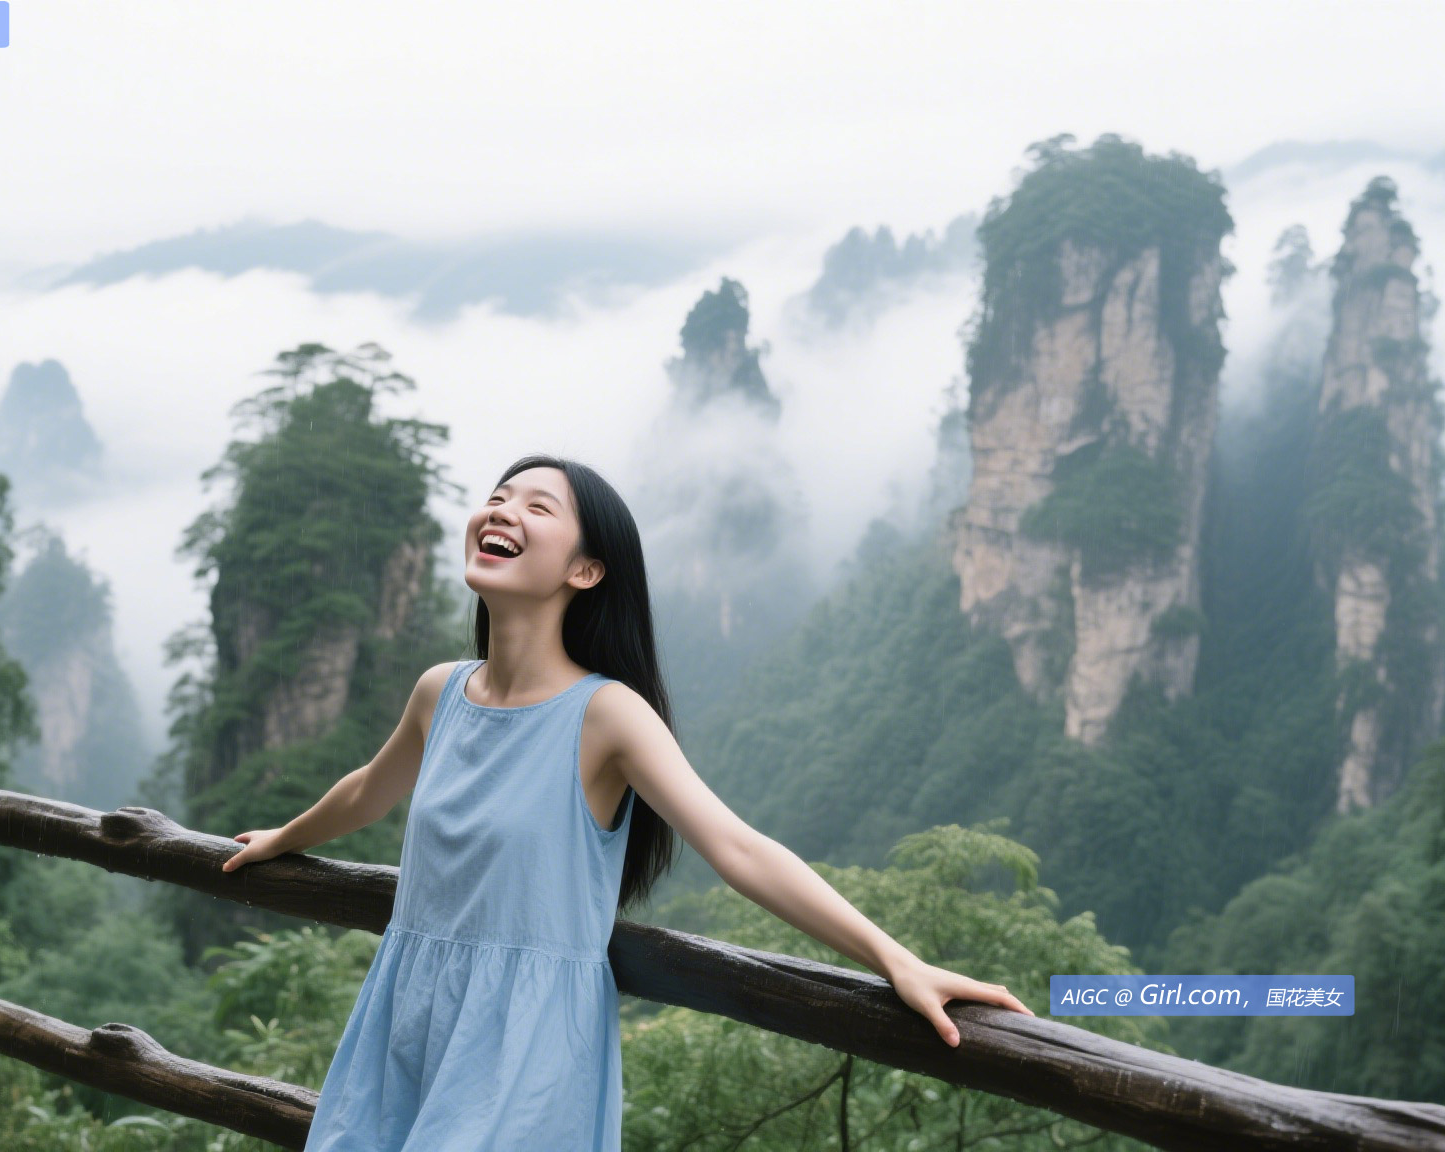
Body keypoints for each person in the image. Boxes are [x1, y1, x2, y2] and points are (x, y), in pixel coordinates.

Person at [220, 453, 1032, 1151]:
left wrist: (897, 961)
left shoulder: (606, 716)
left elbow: (738, 848)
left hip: (522, 1043)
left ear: (586, 570)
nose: (502, 511)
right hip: (406, 1010)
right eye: (499, 497)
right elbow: (369, 787)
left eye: (538, 507)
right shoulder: (441, 692)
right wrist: (281, 839)